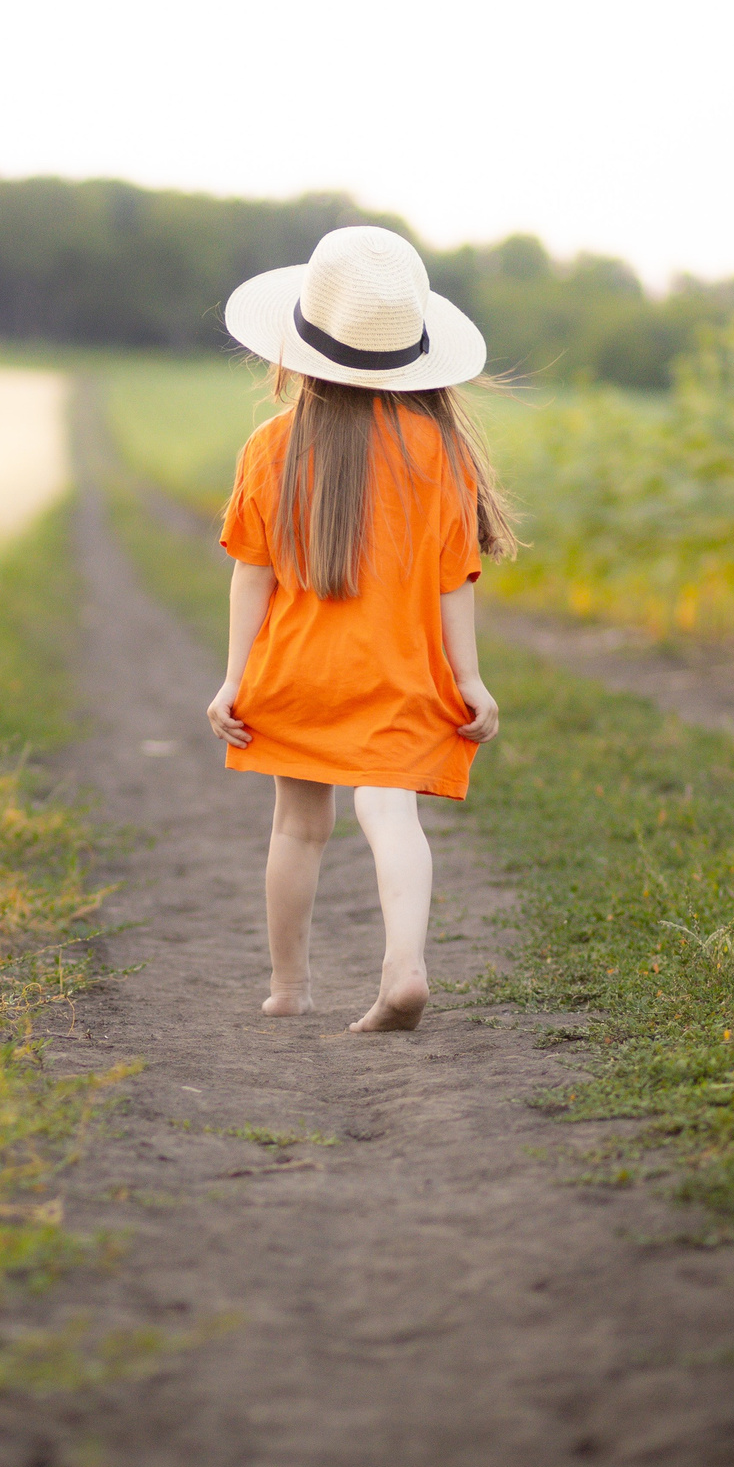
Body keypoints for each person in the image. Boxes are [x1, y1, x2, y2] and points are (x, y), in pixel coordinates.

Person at [203, 225, 517, 1032]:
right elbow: (454, 581)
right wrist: (470, 680)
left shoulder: (270, 446)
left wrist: (235, 678)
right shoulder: (439, 451)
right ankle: (404, 968)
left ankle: (288, 987)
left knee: (297, 828)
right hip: (397, 674)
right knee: (390, 812)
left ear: (301, 345)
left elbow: (251, 575)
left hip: (296, 672)